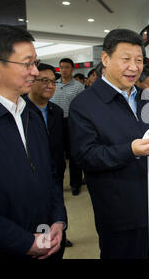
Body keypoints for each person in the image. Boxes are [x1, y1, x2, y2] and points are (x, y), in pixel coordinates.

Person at [69, 29, 149, 259]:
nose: (134, 67)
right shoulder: (84, 104)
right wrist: (129, 150)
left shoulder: (148, 97)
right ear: (106, 59)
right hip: (119, 211)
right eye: (126, 59)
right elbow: (86, 156)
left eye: (138, 60)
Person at [0, 24, 67, 259]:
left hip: (48, 241)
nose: (35, 72)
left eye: (35, 63)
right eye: (27, 64)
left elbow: (51, 174)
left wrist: (58, 220)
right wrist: (24, 242)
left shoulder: (31, 113)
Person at [25, 62, 68, 256]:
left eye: (53, 82)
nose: (50, 85)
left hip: (55, 175)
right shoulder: (22, 112)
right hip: (33, 179)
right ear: (31, 82)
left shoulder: (56, 111)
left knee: (57, 216)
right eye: (44, 81)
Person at [51, 57, 85, 196]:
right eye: (61, 67)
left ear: (72, 69)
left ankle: (75, 184)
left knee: (73, 155)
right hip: (55, 122)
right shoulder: (54, 84)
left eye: (66, 67)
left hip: (72, 122)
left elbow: (82, 107)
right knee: (57, 155)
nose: (63, 70)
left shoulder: (78, 86)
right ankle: (57, 185)